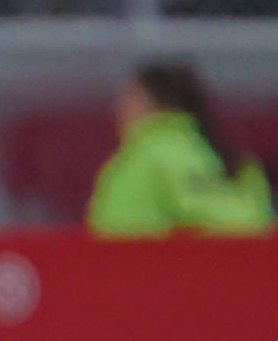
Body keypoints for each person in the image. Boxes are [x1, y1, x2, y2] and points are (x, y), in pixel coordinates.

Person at [87, 60, 274, 238]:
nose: (120, 108)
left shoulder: (170, 149)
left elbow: (234, 221)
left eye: (128, 98)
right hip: (126, 266)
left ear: (149, 100)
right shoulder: (145, 152)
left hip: (153, 267)